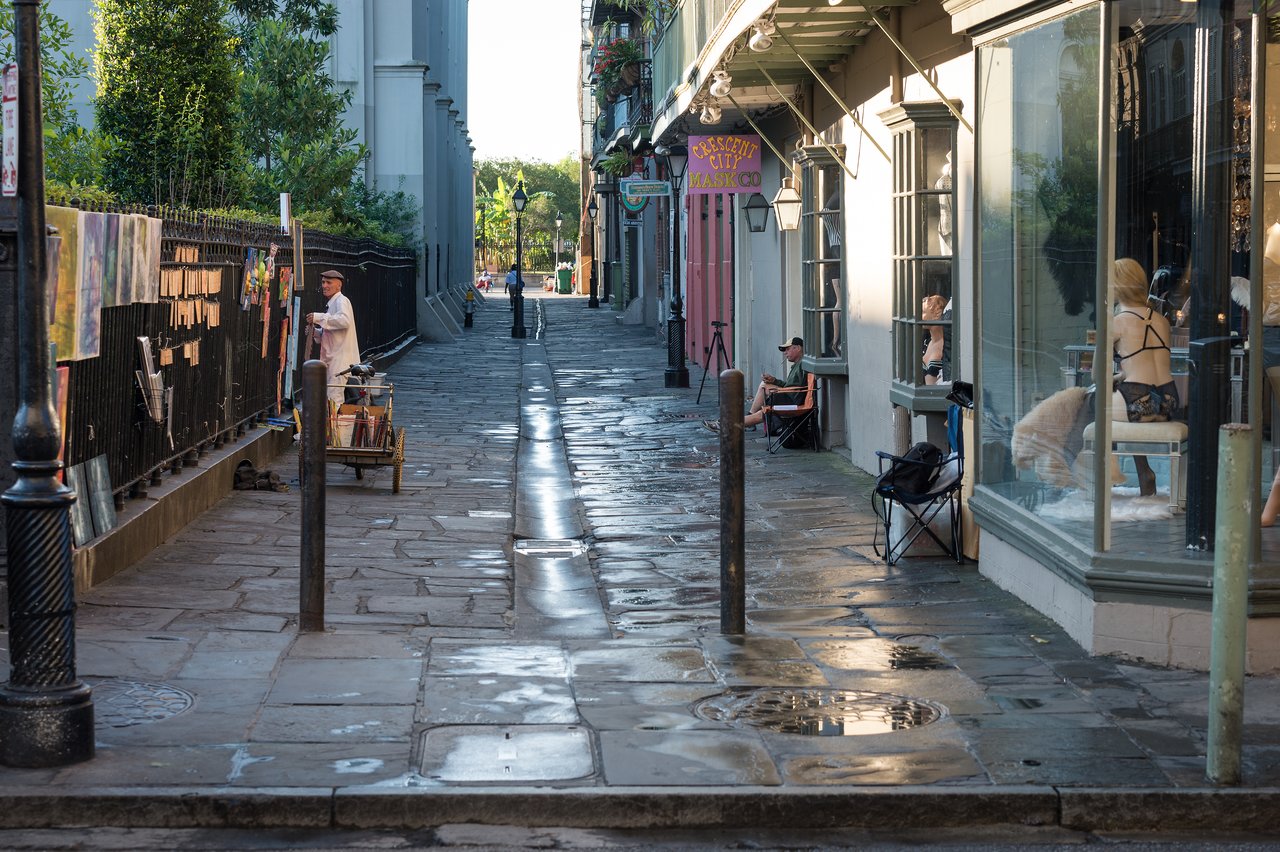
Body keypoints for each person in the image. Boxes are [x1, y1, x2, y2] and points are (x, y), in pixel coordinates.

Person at [1111, 257, 1178, 496]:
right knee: (1134, 404)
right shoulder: (1161, 321)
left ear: (1117, 286)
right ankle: (1143, 472)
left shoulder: (1117, 322)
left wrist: (1117, 378)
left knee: (1094, 404)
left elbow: (1098, 376)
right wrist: (1123, 376)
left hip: (1139, 399)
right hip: (1168, 400)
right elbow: (1149, 364)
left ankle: (1106, 474)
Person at [704, 336, 806, 432]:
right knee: (764, 386)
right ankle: (745, 417)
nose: (785, 353)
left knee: (762, 414)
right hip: (789, 396)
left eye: (788, 349)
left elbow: (794, 389)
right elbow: (791, 386)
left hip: (792, 401)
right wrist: (774, 380)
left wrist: (777, 390)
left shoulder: (802, 364)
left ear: (797, 348)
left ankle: (726, 424)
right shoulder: (798, 365)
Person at [306, 269, 361, 405]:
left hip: (340, 362)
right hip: (334, 361)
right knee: (331, 398)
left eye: (328, 282)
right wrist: (316, 332)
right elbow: (332, 333)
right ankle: (332, 424)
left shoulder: (341, 301)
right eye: (323, 282)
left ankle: (335, 426)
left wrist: (319, 317)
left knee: (334, 400)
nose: (324, 285)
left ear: (339, 285)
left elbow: (344, 321)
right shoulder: (333, 304)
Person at [921, 294, 947, 385]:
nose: (919, 317)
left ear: (937, 314)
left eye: (923, 312)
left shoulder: (947, 345)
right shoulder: (927, 342)